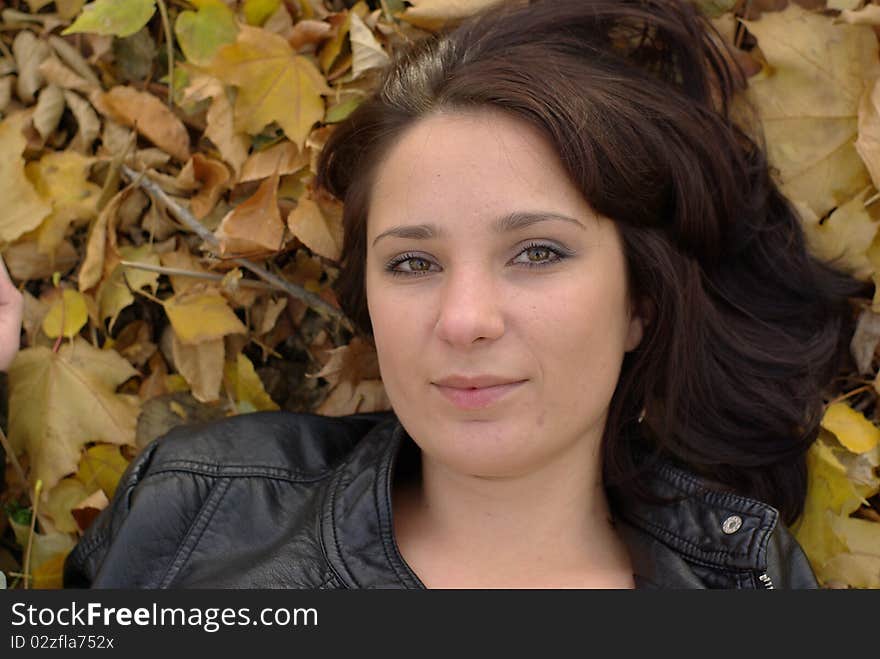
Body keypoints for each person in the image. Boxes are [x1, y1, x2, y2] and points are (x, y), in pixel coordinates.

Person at [59, 0, 865, 589]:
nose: (465, 319)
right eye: (413, 263)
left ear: (638, 303)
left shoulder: (749, 584)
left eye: (537, 252)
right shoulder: (195, 512)